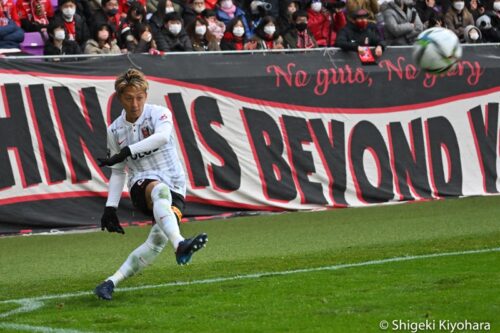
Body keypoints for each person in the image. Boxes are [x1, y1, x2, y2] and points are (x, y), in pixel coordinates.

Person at [93, 68, 208, 301]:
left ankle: (109, 283)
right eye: (128, 98)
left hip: (175, 184)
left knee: (156, 241)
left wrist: (126, 151)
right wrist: (110, 207)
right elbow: (117, 172)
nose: (135, 103)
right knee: (158, 190)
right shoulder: (114, 130)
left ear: (146, 95)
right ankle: (181, 244)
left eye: (139, 97)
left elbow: (163, 137)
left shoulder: (159, 114)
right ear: (119, 98)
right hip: (141, 182)